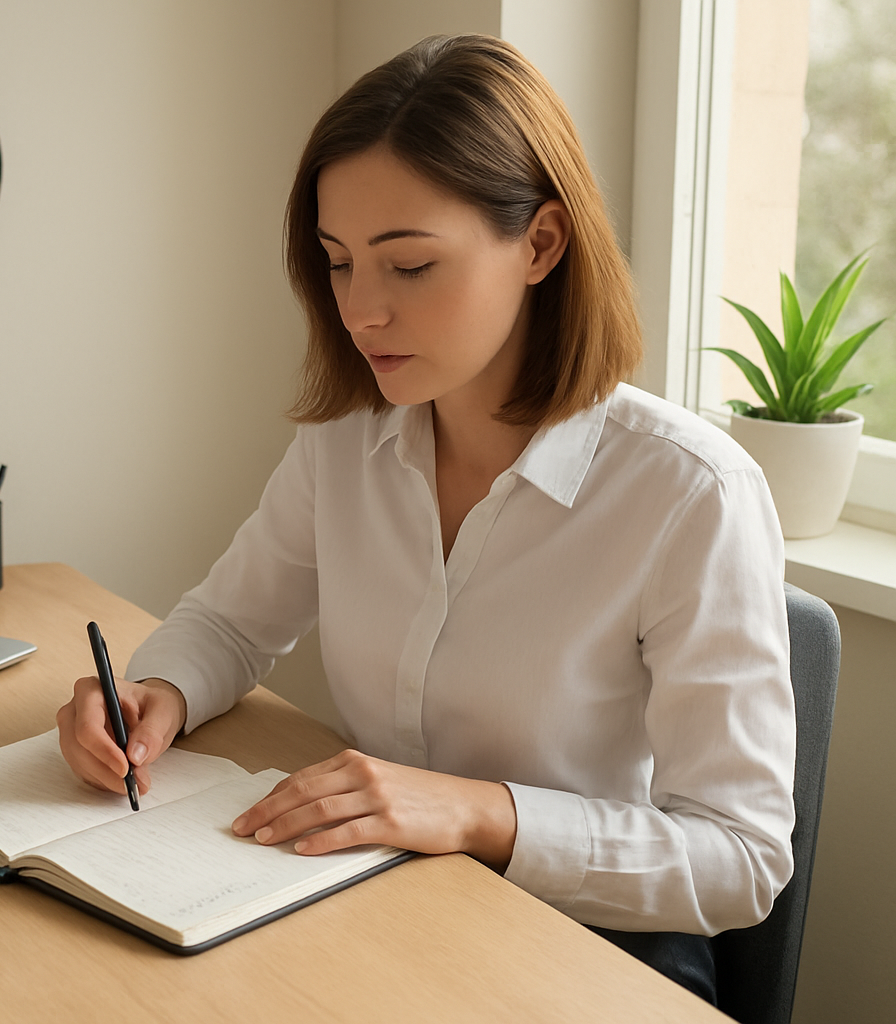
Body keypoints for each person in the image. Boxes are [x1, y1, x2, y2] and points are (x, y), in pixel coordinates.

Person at [55, 34, 795, 1001]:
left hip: (591, 951)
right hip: (378, 900)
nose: (361, 311)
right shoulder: (348, 444)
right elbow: (233, 622)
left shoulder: (691, 495)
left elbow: (740, 860)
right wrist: (159, 694)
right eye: (337, 263)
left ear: (540, 243)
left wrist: (482, 814)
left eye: (408, 267)